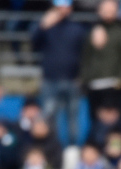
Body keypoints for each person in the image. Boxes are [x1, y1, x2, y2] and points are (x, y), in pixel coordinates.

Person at [32, 0, 87, 147]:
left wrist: (81, 77)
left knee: (73, 120)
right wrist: (42, 26)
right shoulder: (46, 26)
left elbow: (85, 54)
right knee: (49, 119)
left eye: (65, 6)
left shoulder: (77, 28)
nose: (62, 10)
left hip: (72, 80)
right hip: (50, 80)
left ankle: (72, 151)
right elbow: (33, 44)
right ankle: (53, 151)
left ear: (70, 8)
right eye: (59, 6)